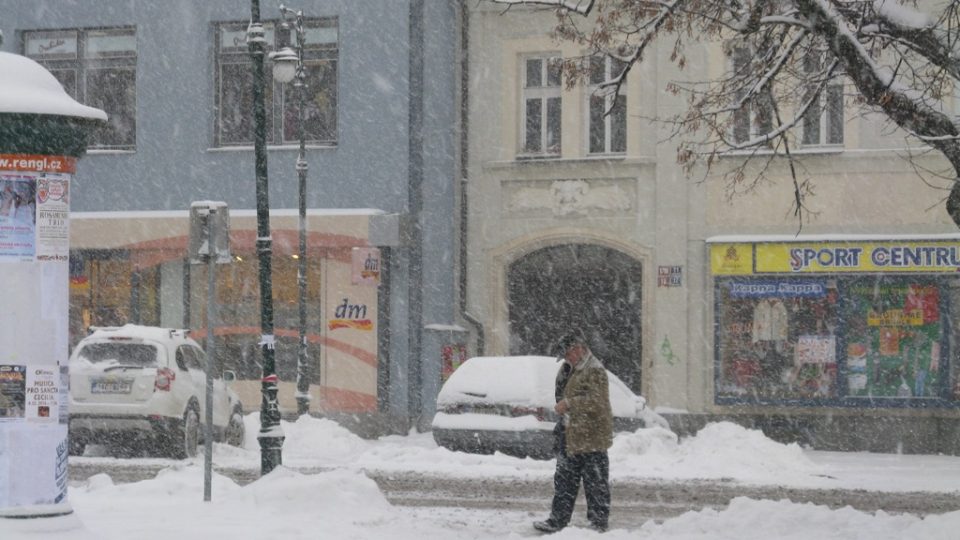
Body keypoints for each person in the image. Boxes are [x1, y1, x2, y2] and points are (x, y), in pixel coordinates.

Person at [533, 329, 613, 534]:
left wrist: (569, 403)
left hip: (591, 438)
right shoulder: (570, 368)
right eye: (565, 357)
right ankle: (557, 520)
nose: (566, 359)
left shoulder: (594, 369)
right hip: (570, 435)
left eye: (568, 354)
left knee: (595, 483)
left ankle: (598, 524)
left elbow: (597, 402)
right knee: (564, 482)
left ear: (578, 349)